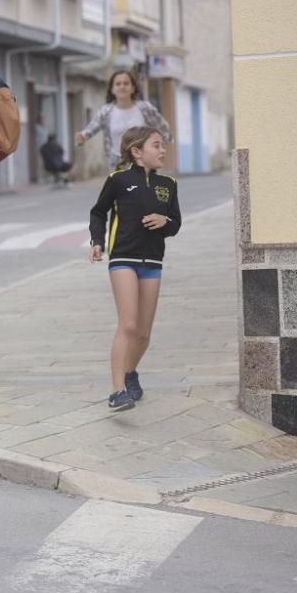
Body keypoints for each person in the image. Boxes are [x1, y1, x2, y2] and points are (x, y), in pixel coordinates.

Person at [89, 126, 181, 411]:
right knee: (128, 325)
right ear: (137, 151)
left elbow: (176, 223)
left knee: (143, 333)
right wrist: (97, 241)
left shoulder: (169, 184)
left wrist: (164, 222)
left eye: (163, 145)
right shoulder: (118, 180)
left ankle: (130, 372)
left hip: (152, 262)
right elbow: (98, 211)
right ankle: (118, 391)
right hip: (123, 259)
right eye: (157, 145)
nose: (163, 150)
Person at [75, 70, 171, 171]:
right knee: (119, 186)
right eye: (118, 84)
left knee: (142, 186)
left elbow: (163, 126)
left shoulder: (145, 108)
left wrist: (161, 144)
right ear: (112, 89)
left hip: (142, 159)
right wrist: (83, 136)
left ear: (133, 88)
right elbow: (92, 127)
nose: (122, 86)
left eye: (126, 83)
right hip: (117, 160)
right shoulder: (106, 111)